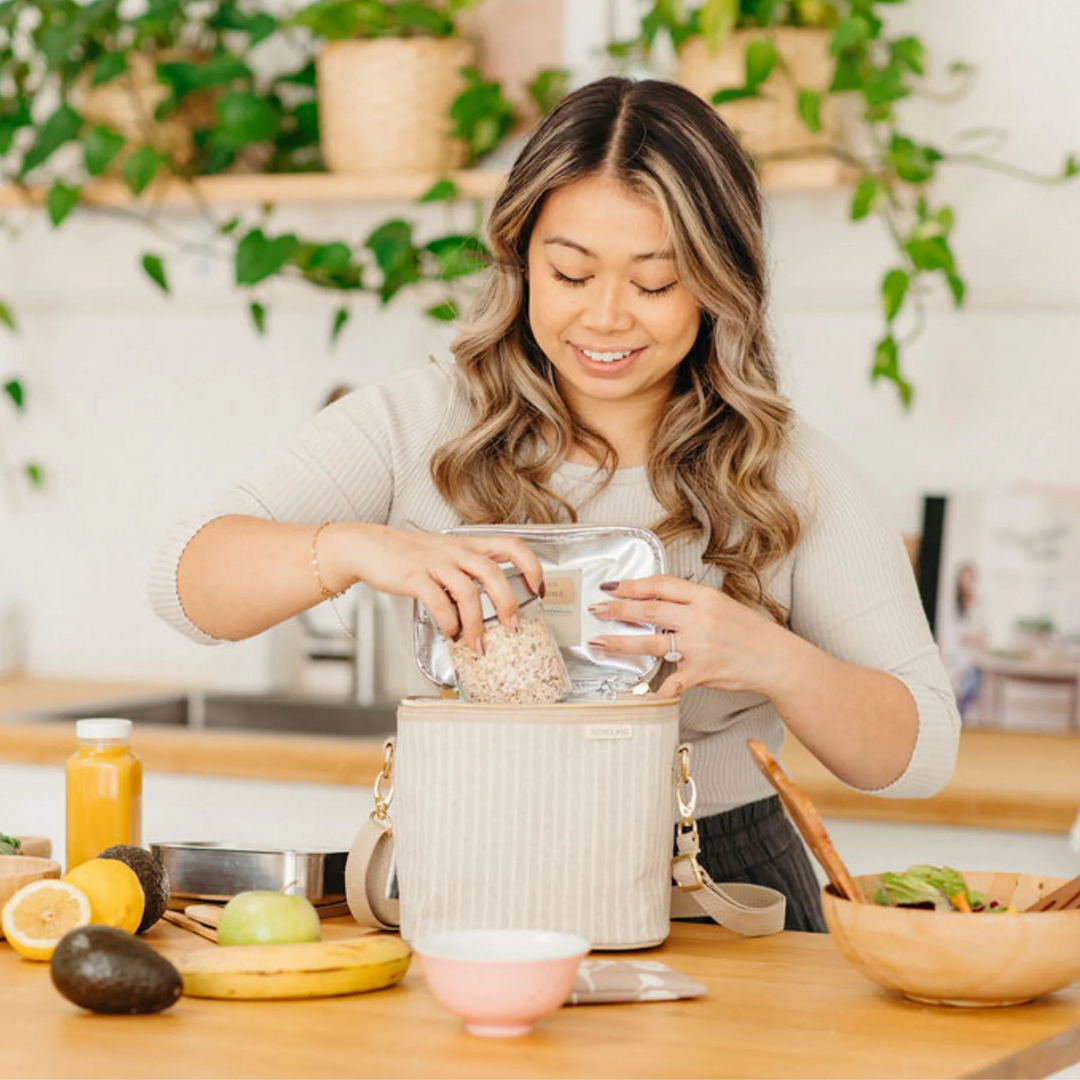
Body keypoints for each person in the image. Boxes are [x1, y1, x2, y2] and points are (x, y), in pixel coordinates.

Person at [150, 77, 961, 932]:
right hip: (471, 872)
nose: (605, 317)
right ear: (520, 255)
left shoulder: (784, 469)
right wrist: (359, 547)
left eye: (655, 284)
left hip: (713, 886)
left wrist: (773, 658)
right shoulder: (420, 421)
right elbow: (184, 588)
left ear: (720, 283)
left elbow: (919, 755)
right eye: (570, 273)